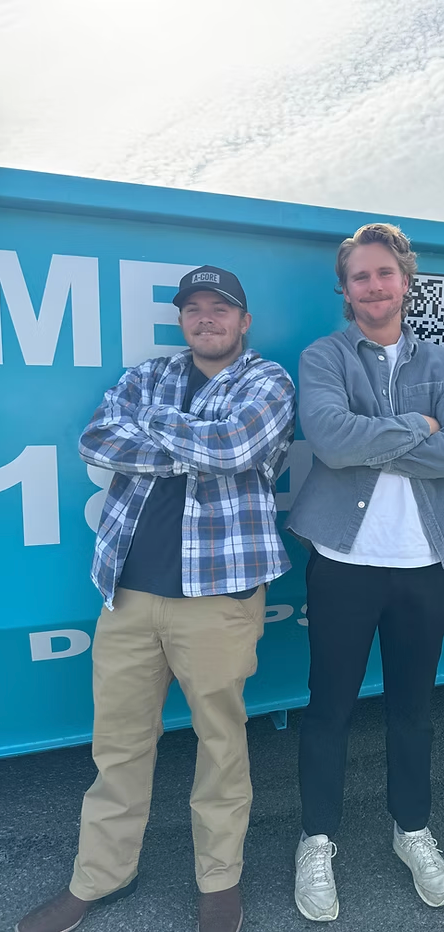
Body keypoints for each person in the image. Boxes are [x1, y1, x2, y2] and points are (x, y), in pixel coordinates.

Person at [16, 266, 296, 932]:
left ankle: (219, 883)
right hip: (128, 596)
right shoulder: (150, 374)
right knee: (117, 747)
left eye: (219, 308)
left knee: (220, 745)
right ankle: (99, 877)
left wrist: (152, 434)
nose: (206, 319)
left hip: (218, 602)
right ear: (182, 319)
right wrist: (188, 442)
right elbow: (97, 438)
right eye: (194, 309)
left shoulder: (268, 381)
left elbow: (238, 445)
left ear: (243, 320)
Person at [286, 223, 444, 921]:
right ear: (345, 290)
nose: (374, 287)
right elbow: (331, 441)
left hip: (424, 565)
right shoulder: (324, 355)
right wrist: (416, 429)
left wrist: (397, 436)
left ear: (406, 280)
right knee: (328, 710)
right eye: (360, 277)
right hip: (343, 566)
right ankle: (317, 841)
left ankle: (413, 829)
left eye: (384, 274)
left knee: (413, 711)